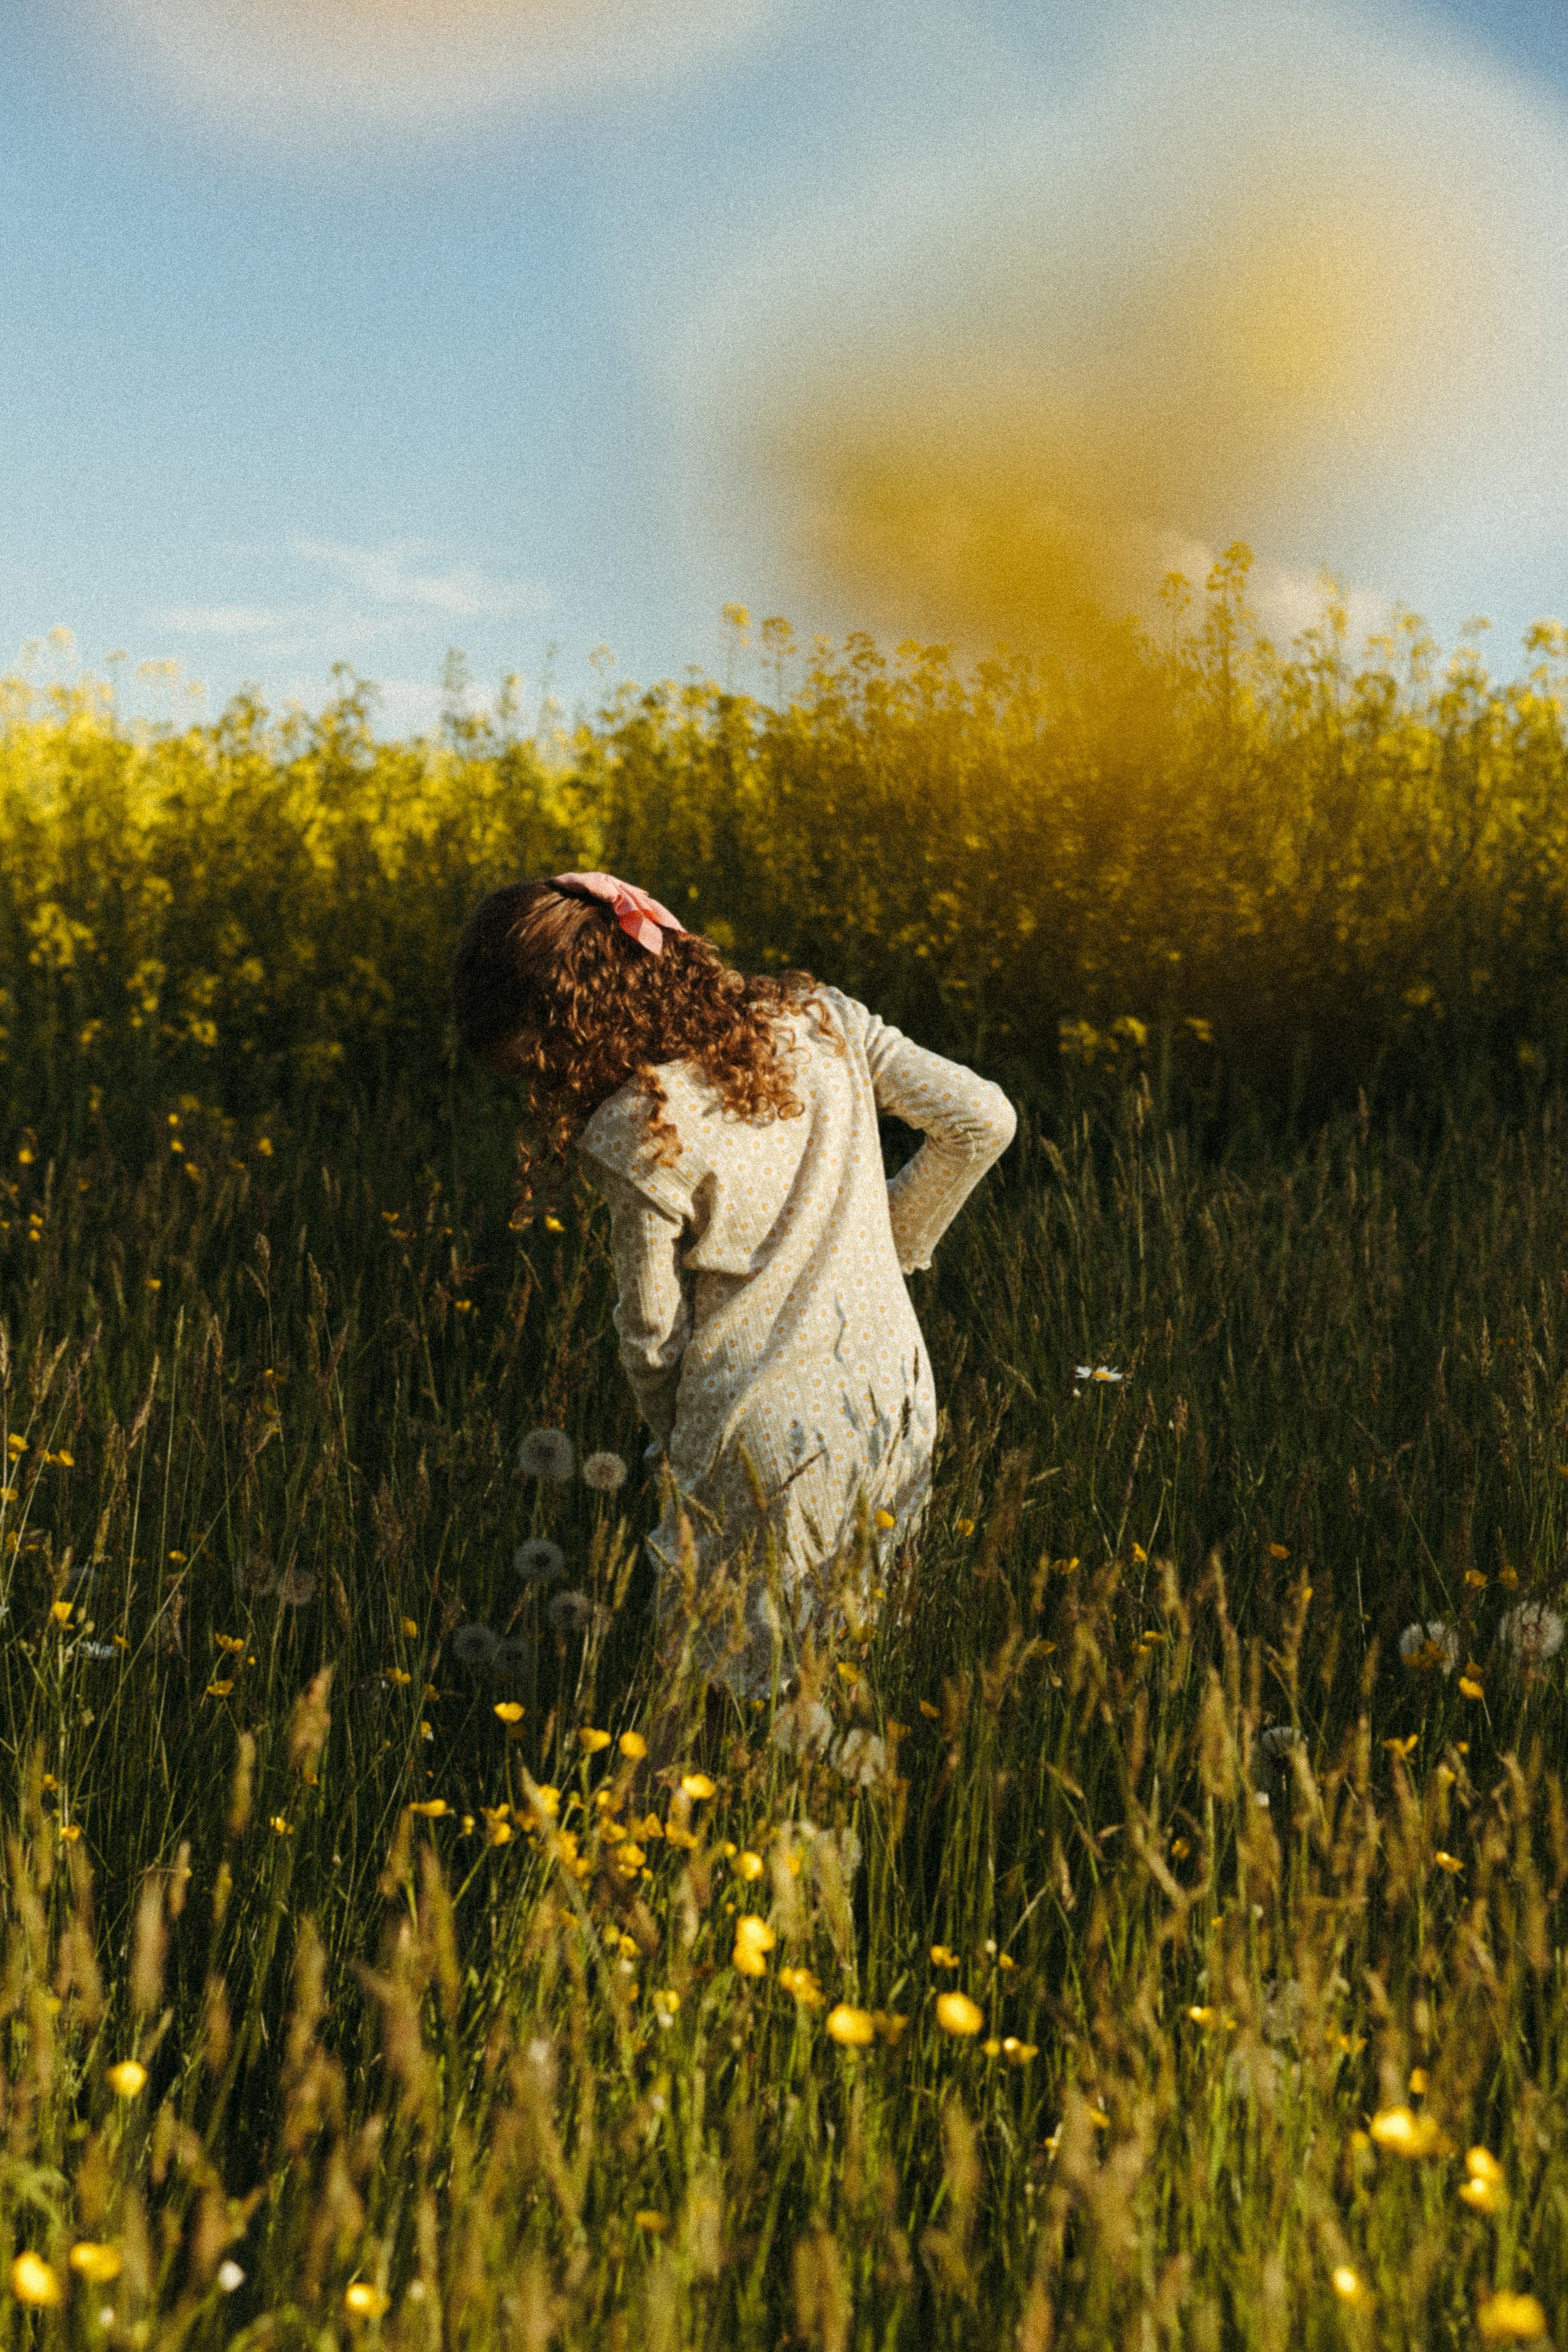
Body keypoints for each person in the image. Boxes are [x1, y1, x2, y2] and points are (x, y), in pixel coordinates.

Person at [451, 870, 1016, 1704]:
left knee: (703, 1699)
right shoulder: (826, 1021)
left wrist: (671, 1442)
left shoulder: (636, 1125)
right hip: (893, 1402)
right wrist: (882, 1248)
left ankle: (664, 1831)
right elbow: (983, 1119)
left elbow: (649, 1334)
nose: (548, 1091)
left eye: (543, 1067)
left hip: (752, 1431)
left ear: (582, 1025)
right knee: (846, 1680)